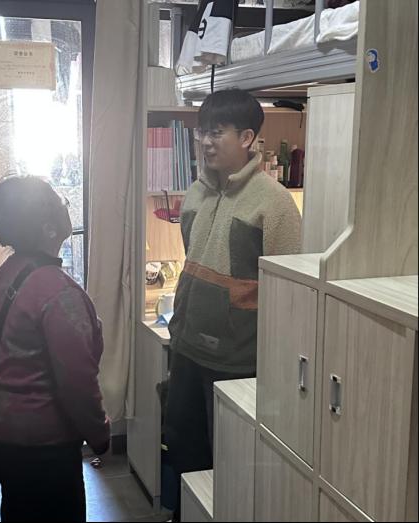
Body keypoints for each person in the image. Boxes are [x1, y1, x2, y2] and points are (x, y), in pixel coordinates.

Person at [164, 89, 301, 519]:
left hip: (236, 359)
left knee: (229, 461)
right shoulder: (195, 193)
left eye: (217, 133)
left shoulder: (274, 201)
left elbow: (289, 291)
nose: (206, 142)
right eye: (202, 132)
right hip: (186, 346)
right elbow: (192, 259)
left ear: (246, 137)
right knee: (183, 449)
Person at [0, 174, 110, 522]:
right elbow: (78, 381)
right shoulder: (57, 292)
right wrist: (100, 434)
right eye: (60, 201)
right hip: (45, 444)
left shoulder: (0, 280)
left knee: (18, 510)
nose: (66, 205)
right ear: (49, 227)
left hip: (4, 433)